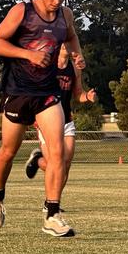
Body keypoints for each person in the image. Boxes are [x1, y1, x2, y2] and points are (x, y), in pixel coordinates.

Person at [0, 0, 85, 237]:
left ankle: (52, 214)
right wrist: (28, 55)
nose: (56, 1)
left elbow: (72, 37)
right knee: (8, 151)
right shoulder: (22, 12)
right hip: (18, 92)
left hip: (48, 94)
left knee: (58, 153)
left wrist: (77, 55)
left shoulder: (65, 15)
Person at [25, 44, 97, 208]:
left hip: (66, 120)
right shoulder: (47, 64)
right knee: (54, 164)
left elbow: (78, 94)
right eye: (62, 41)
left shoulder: (74, 67)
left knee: (65, 166)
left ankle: (50, 203)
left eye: (68, 41)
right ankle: (38, 161)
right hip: (47, 120)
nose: (66, 45)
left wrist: (88, 97)